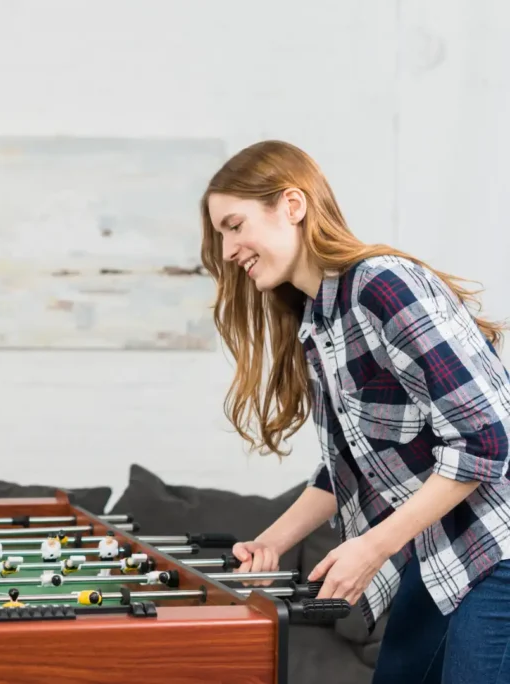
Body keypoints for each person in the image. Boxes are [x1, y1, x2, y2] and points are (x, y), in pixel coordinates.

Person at [200, 140, 510, 684]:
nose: (227, 251)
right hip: (441, 552)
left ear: (292, 205)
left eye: (234, 225)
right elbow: (348, 466)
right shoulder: (319, 321)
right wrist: (272, 543)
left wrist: (371, 547)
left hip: (497, 549)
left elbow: (485, 440)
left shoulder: (381, 284)